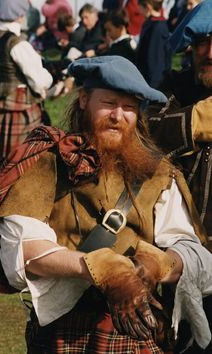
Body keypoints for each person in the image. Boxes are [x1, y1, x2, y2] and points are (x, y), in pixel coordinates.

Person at [0, 55, 211, 353]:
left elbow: (194, 253)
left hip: (136, 331)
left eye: (128, 108)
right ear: (84, 99)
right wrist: (101, 268)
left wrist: (160, 264)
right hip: (65, 329)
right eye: (109, 103)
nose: (118, 115)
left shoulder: (158, 173)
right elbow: (22, 248)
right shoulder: (48, 162)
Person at [147, 0, 212, 352]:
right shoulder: (175, 90)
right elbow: (143, 133)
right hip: (187, 263)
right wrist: (195, 121)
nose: (211, 52)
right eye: (202, 40)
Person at [0, 0, 53, 168]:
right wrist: (50, 77)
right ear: (20, 15)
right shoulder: (18, 44)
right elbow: (40, 81)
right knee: (21, 163)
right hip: (19, 114)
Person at [137, 0, 172, 88]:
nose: (139, 10)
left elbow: (156, 59)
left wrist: (153, 85)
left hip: (153, 82)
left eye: (140, 7)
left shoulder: (158, 27)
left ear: (148, 6)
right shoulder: (150, 23)